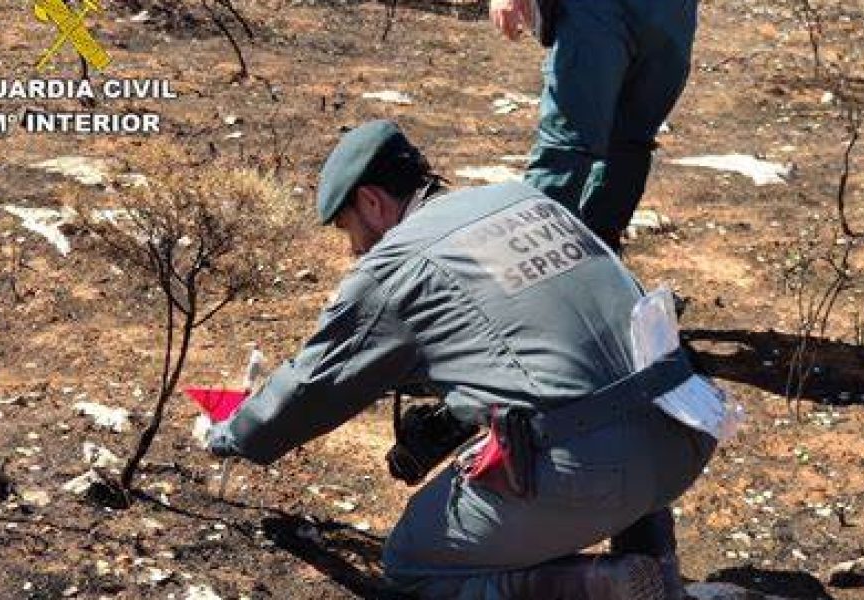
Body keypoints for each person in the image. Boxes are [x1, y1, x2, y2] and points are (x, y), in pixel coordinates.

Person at [209, 120, 724, 599]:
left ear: (371, 202)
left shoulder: (397, 265)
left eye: (349, 232)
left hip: (593, 469)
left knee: (412, 563)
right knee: (612, 382)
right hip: (686, 430)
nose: (353, 252)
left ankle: (598, 585)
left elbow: (312, 387)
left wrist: (232, 434)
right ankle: (656, 559)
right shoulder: (525, 200)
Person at [489, 0, 699, 254]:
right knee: (566, 150)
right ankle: (533, 266)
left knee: (630, 146)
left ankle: (597, 261)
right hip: (598, 11)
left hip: (671, 15)